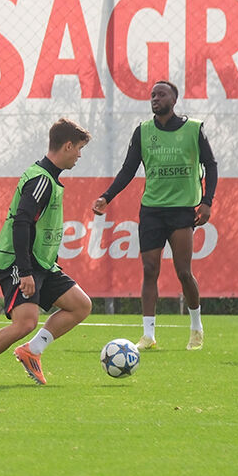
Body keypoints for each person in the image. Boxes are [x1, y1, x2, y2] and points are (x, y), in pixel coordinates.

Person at [0, 118, 94, 387]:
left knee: (80, 305)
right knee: (25, 323)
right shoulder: (41, 180)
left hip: (41, 264)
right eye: (78, 149)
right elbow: (21, 223)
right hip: (19, 263)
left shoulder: (49, 178)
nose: (79, 155)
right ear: (66, 146)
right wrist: (26, 271)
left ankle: (33, 351)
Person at [92, 80, 217, 351]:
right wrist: (106, 197)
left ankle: (196, 328)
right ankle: (148, 335)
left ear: (174, 99)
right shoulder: (143, 131)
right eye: (152, 95)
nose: (155, 98)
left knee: (184, 272)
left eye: (161, 94)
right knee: (150, 270)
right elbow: (128, 170)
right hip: (152, 211)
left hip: (183, 209)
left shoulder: (194, 129)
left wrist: (207, 202)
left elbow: (211, 165)